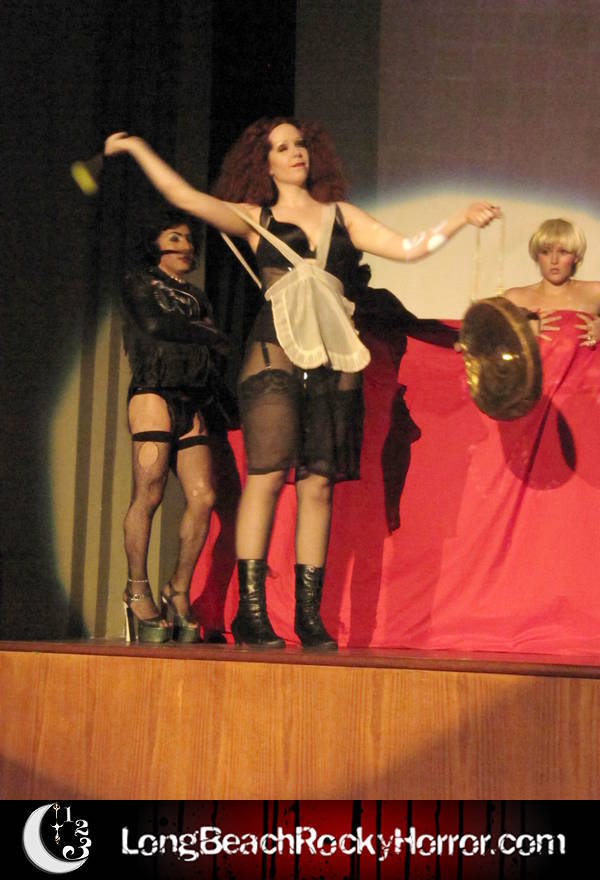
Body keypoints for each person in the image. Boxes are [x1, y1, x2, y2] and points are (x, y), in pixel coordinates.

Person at [105, 118, 499, 650]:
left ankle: (308, 615)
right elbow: (184, 196)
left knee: (319, 484)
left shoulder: (343, 216)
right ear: (263, 163)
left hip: (335, 355)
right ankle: (252, 612)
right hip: (275, 352)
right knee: (267, 476)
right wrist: (137, 147)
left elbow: (408, 247)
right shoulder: (255, 217)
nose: (296, 153)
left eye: (301, 145)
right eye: (282, 147)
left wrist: (459, 219)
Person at [121, 208, 234, 644]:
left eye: (188, 239)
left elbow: (217, 349)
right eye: (174, 238)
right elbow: (155, 323)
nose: (185, 246)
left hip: (193, 399)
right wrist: (206, 333)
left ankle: (178, 588)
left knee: (203, 496)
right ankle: (137, 590)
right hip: (154, 391)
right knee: (148, 494)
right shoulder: (140, 282)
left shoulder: (198, 296)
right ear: (156, 243)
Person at [503, 218, 600, 344]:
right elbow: (491, 345)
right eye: (545, 252)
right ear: (536, 256)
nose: (554, 260)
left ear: (576, 256)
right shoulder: (514, 298)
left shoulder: (595, 292)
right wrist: (521, 333)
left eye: (563, 252)